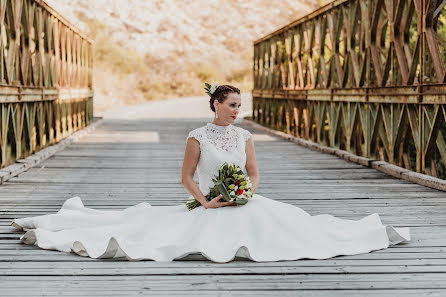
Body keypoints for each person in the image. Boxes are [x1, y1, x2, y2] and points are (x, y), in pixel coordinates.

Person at [10, 83, 410, 263]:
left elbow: (253, 173)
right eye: (231, 104)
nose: (237, 110)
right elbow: (185, 177)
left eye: (240, 105)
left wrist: (246, 193)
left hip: (243, 203)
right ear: (216, 104)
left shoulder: (246, 137)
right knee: (154, 231)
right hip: (208, 203)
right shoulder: (196, 136)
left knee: (298, 228)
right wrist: (206, 201)